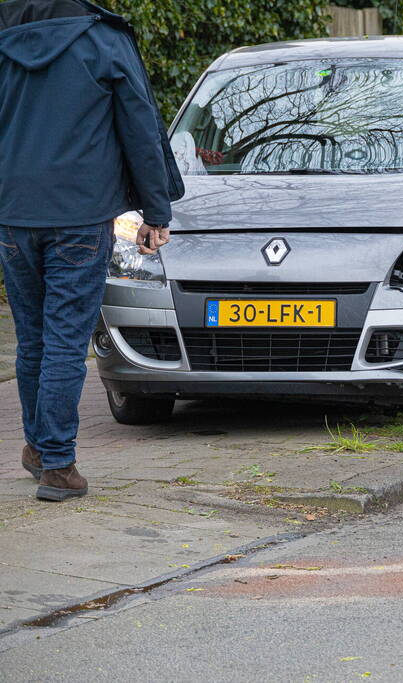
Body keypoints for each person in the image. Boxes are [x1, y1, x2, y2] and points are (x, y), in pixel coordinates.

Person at [0, 0, 184, 501]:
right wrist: (156, 211)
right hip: (79, 217)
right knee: (63, 342)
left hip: (14, 214)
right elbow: (139, 128)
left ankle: (39, 450)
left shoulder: (6, 36)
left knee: (33, 340)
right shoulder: (104, 40)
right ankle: (58, 465)